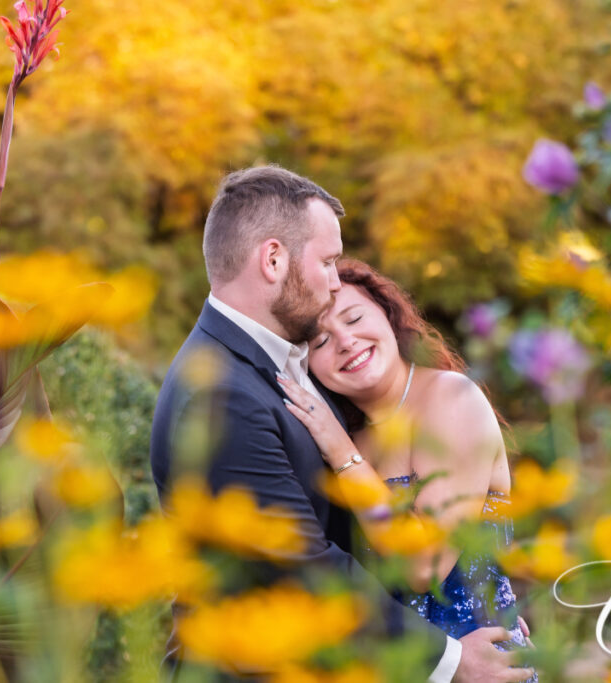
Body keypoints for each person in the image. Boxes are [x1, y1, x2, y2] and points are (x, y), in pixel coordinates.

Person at [150, 165, 535, 682]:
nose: (333, 281)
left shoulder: (274, 375)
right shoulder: (223, 391)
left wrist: (486, 593)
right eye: (327, 261)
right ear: (272, 259)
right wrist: (450, 659)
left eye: (352, 315)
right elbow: (303, 568)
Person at [276, 259, 536, 680]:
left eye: (355, 317)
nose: (345, 341)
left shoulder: (451, 400)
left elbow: (423, 567)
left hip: (484, 670)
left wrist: (342, 454)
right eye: (320, 341)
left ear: (387, 313)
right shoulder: (343, 437)